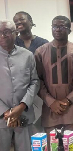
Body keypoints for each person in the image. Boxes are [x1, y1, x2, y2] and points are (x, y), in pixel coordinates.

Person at [34, 16, 73, 151]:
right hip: (50, 108)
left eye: (62, 26)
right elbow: (37, 79)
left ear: (69, 30)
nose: (58, 29)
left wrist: (68, 100)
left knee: (72, 147)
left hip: (72, 107)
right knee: (51, 146)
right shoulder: (40, 52)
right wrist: (51, 101)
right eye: (55, 26)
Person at [0, 20, 40, 151]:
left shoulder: (27, 55)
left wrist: (21, 107)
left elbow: (34, 82)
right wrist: (7, 112)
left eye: (6, 32)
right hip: (1, 117)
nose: (2, 36)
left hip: (24, 115)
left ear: (15, 33)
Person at [13, 11, 48, 133]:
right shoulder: (12, 43)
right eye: (15, 21)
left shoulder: (43, 43)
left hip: (39, 89)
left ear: (31, 22)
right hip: (19, 91)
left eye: (21, 19)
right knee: (22, 127)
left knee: (38, 125)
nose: (18, 22)